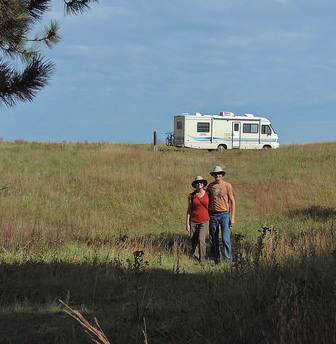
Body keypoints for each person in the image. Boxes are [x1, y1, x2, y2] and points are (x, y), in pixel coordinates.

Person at [207, 166, 235, 264]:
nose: (217, 175)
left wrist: (232, 217)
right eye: (216, 174)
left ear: (222, 175)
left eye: (219, 174)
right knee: (214, 238)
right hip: (213, 215)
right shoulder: (210, 186)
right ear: (213, 175)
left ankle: (228, 259)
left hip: (224, 214)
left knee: (225, 238)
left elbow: (232, 201)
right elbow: (207, 200)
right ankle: (217, 259)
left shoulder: (227, 185)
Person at [186, 176, 210, 265]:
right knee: (194, 240)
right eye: (197, 183)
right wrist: (187, 223)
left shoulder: (208, 194)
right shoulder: (191, 196)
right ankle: (197, 257)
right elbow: (189, 209)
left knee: (201, 239)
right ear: (195, 185)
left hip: (205, 220)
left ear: (203, 184)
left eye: (201, 182)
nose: (199, 184)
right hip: (193, 220)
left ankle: (202, 260)